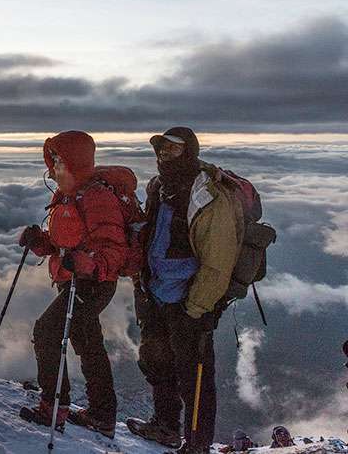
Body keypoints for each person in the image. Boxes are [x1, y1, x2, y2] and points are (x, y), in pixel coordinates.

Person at [126, 127, 244, 454]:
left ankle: (196, 445)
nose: (164, 154)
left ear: (189, 151)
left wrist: (197, 308)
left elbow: (217, 263)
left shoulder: (209, 196)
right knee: (156, 362)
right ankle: (165, 427)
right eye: (161, 148)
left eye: (174, 149)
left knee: (195, 378)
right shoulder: (159, 187)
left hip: (189, 301)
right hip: (155, 294)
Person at [18, 131, 128, 438]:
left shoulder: (96, 198)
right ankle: (102, 415)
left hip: (93, 283)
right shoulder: (68, 196)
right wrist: (39, 242)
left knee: (46, 332)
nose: (53, 167)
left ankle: (54, 407)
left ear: (75, 162)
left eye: (59, 160)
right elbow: (63, 243)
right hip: (73, 280)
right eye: (51, 159)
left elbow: (114, 250)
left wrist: (89, 264)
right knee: (88, 343)